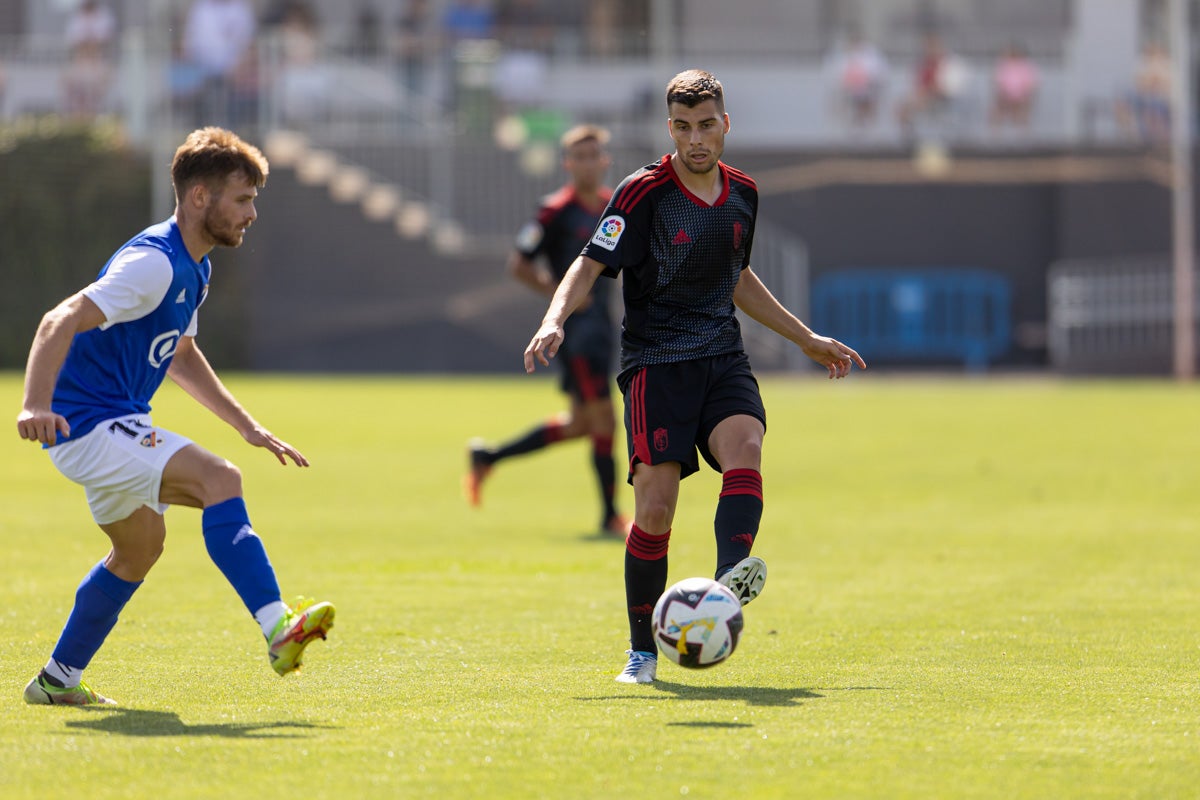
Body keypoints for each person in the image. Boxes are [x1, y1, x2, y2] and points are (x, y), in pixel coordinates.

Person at [523, 70, 865, 684]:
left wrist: (806, 339)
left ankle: (731, 573)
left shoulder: (743, 194)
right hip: (656, 365)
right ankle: (642, 652)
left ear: (725, 123)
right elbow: (588, 262)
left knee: (747, 446)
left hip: (722, 356)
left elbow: (737, 277)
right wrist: (554, 321)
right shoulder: (641, 191)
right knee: (654, 511)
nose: (696, 140)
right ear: (670, 128)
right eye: (683, 128)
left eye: (706, 126)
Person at [16, 127, 334, 706]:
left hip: (106, 424)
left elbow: (180, 356)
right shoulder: (153, 264)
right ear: (199, 198)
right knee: (221, 480)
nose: (251, 213)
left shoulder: (196, 268)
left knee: (138, 550)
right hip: (87, 424)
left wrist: (245, 424)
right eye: (242, 199)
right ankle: (277, 627)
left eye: (254, 200)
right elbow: (56, 319)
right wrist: (35, 403)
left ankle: (56, 680)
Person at [467, 124, 630, 538]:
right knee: (605, 422)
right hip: (576, 334)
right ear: (568, 163)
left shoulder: (616, 207)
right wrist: (561, 293)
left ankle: (489, 455)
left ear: (605, 161)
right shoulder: (555, 211)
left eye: (595, 155)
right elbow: (520, 264)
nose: (588, 163)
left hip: (604, 327)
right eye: (580, 156)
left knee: (580, 424)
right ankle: (611, 516)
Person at [988, 43, 1039, 130]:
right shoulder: (1003, 65)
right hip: (1005, 96)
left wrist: (1024, 95)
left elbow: (1031, 85)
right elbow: (997, 83)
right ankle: (995, 136)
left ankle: (1023, 135)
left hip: (1022, 97)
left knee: (1022, 113)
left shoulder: (1026, 66)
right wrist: (1004, 94)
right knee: (995, 112)